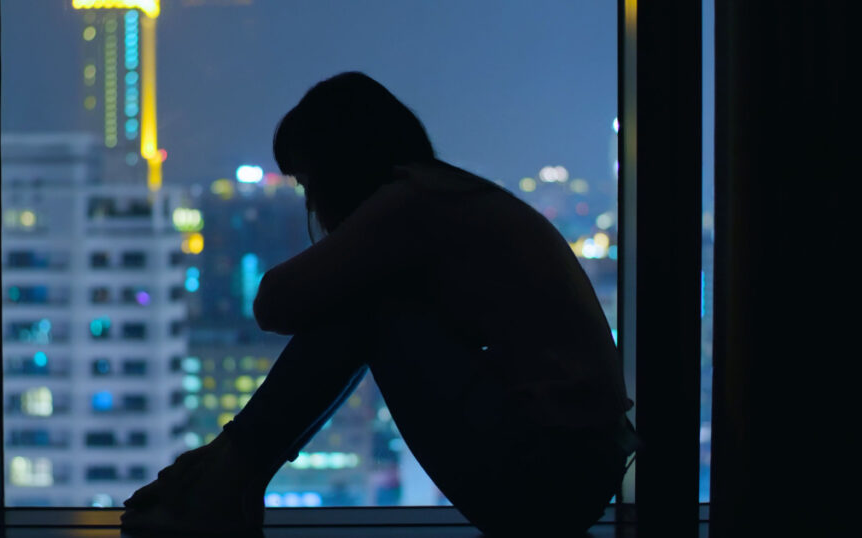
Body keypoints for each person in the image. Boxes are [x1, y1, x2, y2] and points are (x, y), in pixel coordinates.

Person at [120, 71, 638, 537]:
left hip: (549, 470)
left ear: (337, 164)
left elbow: (274, 304)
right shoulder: (447, 196)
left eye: (307, 181)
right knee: (370, 301)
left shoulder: (414, 204)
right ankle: (228, 474)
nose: (310, 202)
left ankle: (225, 478)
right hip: (573, 469)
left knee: (368, 307)